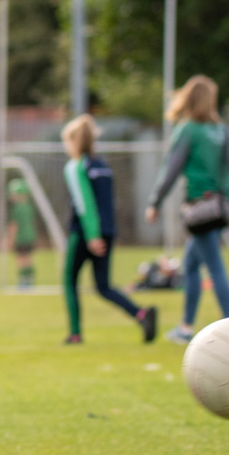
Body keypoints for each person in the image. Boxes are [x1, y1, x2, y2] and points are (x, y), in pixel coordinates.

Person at [145, 75, 229, 344]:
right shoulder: (225, 132)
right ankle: (185, 327)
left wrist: (155, 202)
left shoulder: (188, 130)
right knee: (191, 265)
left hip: (200, 208)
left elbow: (170, 170)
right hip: (224, 206)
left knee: (214, 266)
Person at [60, 115, 157, 345]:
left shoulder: (75, 167)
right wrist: (104, 232)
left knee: (69, 280)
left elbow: (85, 204)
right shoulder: (103, 165)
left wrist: (92, 236)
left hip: (85, 232)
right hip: (108, 230)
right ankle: (141, 314)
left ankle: (75, 334)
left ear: (74, 141)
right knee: (103, 286)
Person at [6, 178, 37, 288]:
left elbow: (14, 226)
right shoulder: (29, 207)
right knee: (28, 257)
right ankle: (30, 278)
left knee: (20, 259)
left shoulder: (17, 208)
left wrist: (10, 239)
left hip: (21, 237)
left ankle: (23, 281)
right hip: (30, 236)